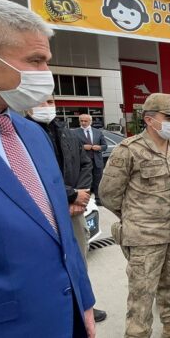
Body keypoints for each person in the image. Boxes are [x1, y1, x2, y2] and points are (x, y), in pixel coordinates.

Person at [0, 0, 95, 337]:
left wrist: (85, 303)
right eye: (35, 61)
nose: (45, 75)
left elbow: (60, 234)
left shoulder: (31, 134)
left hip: (67, 320)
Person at [100, 93, 170, 338]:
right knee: (142, 292)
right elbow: (108, 193)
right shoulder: (129, 150)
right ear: (149, 119)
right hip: (144, 236)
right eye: (169, 117)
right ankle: (138, 334)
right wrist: (135, 216)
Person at [26, 95, 109, 323]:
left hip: (74, 209)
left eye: (50, 102)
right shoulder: (20, 133)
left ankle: (84, 304)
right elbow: (34, 174)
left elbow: (85, 163)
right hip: (43, 211)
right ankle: (58, 311)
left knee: (79, 258)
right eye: (41, 102)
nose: (47, 106)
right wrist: (69, 195)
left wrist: (81, 195)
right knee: (47, 264)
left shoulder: (66, 133)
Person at [73, 114, 107, 205]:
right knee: (85, 182)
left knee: (98, 181)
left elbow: (105, 146)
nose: (83, 123)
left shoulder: (98, 132)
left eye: (85, 121)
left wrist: (99, 147)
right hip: (83, 162)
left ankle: (98, 199)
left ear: (90, 122)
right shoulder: (74, 132)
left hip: (97, 161)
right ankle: (84, 201)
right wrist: (83, 147)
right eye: (81, 121)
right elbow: (71, 147)